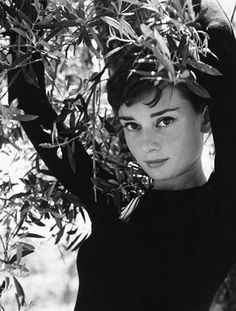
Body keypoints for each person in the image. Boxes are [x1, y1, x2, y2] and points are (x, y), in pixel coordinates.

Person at [74, 0, 236, 310]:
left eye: (164, 120)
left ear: (205, 118)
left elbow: (220, 37)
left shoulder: (221, 210)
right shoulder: (114, 201)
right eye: (132, 125)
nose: (147, 144)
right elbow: (31, 106)